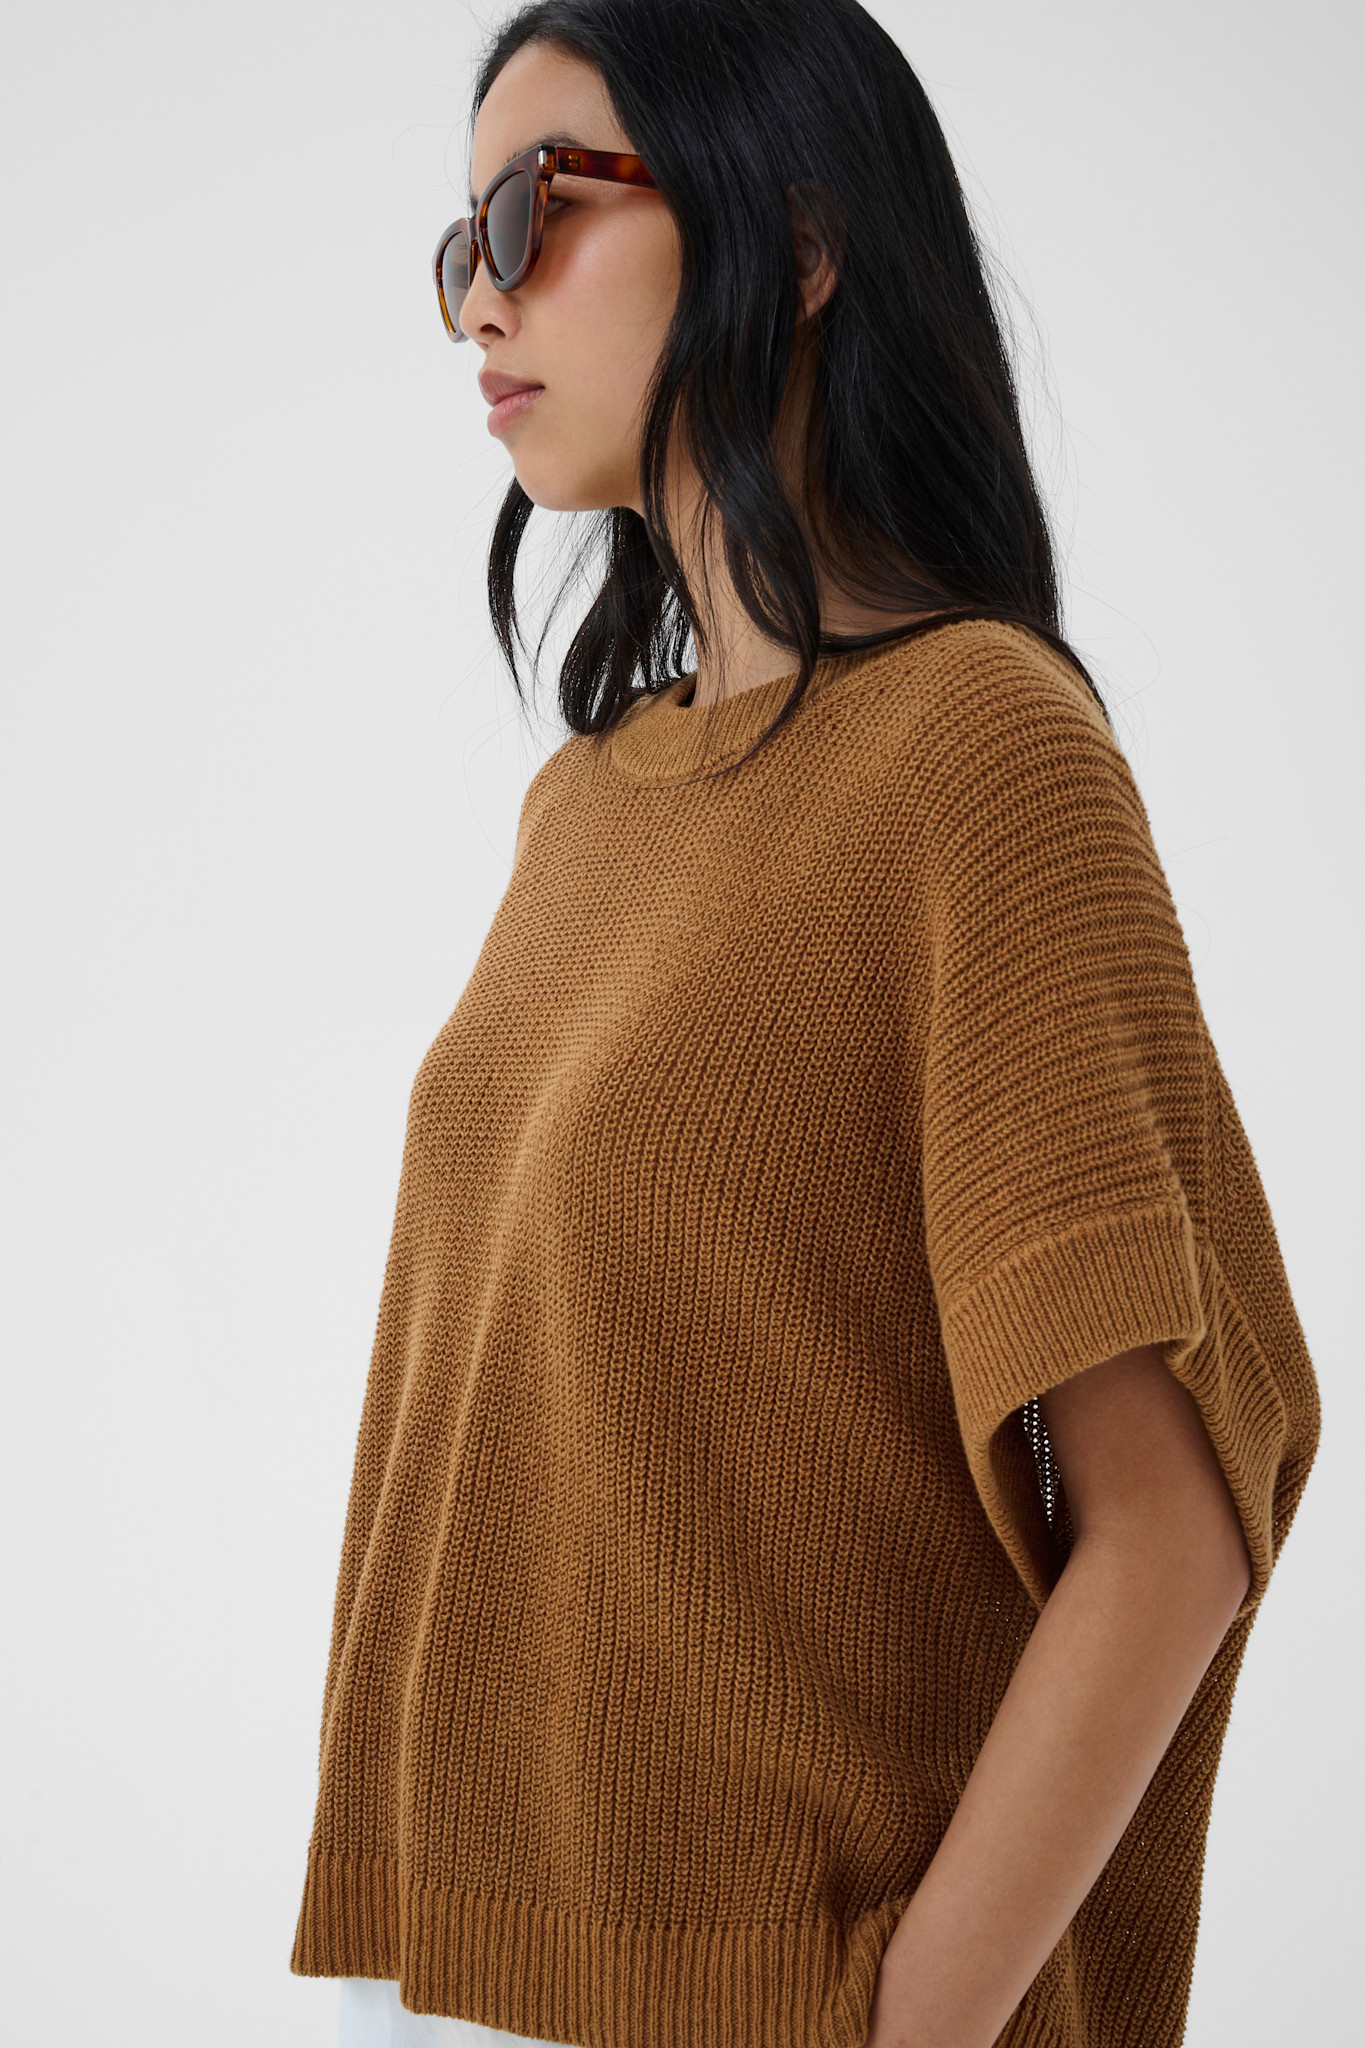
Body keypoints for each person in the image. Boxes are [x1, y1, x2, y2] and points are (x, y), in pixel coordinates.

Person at [290, 4, 1321, 2046]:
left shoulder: (979, 753)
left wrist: (902, 2021)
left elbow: (1175, 1516)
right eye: (459, 243)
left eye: (536, 207)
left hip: (778, 1997)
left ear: (802, 233)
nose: (482, 293)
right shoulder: (585, 804)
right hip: (458, 1971)